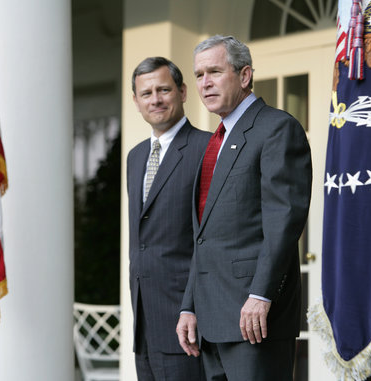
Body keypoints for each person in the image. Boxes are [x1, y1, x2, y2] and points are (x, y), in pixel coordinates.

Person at [176, 35, 312, 381]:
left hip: (255, 319)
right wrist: (190, 305)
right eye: (199, 75)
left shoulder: (277, 128)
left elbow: (283, 222)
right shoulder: (216, 141)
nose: (205, 83)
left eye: (215, 72)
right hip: (211, 320)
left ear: (245, 75)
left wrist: (260, 294)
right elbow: (205, 237)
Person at [127, 56, 211, 380]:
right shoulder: (135, 158)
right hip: (144, 322)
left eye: (164, 89)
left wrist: (190, 306)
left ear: (183, 92)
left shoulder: (207, 149)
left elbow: (207, 239)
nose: (155, 99)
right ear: (135, 101)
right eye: (146, 93)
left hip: (186, 322)